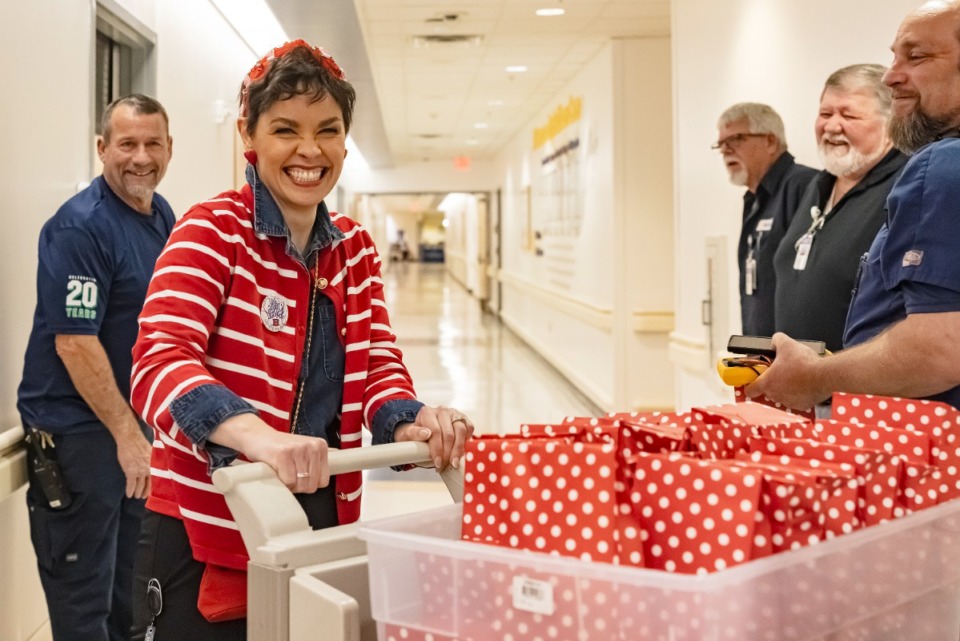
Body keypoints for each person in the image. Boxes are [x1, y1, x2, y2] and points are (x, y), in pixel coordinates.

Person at [127, 40, 475, 639]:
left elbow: (378, 368)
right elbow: (159, 361)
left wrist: (413, 420)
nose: (309, 151)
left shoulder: (355, 250)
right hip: (213, 516)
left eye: (329, 130)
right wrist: (257, 437)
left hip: (322, 516)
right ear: (250, 134)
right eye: (286, 129)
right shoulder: (212, 231)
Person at [747, 0, 960, 411]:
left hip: (926, 448)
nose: (892, 76)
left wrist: (813, 377)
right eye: (894, 56)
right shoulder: (814, 187)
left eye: (916, 56)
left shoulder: (941, 164)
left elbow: (941, 347)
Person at [16, 94, 174, 641]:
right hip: (81, 436)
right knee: (84, 603)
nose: (140, 156)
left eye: (152, 143)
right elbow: (74, 343)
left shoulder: (161, 216)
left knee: (130, 595)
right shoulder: (81, 228)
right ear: (102, 148)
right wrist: (128, 436)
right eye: (127, 144)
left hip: (130, 430)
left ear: (169, 149)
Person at [772, 65, 907, 352]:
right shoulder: (818, 185)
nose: (832, 126)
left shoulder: (904, 188)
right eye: (825, 114)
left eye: (849, 115)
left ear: (891, 123)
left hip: (862, 387)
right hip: (800, 385)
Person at [715, 103, 817, 336]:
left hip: (795, 352)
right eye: (721, 144)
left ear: (770, 141)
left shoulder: (806, 186)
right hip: (762, 352)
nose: (725, 150)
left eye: (736, 139)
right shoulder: (755, 198)